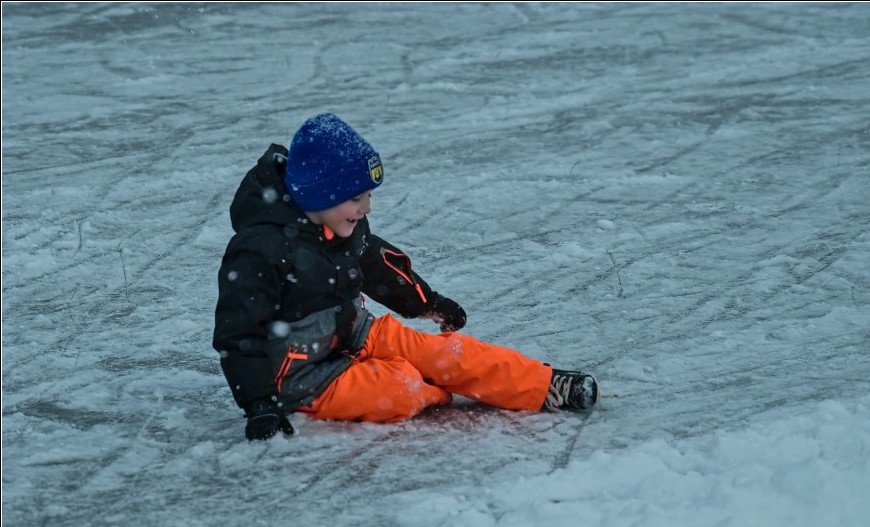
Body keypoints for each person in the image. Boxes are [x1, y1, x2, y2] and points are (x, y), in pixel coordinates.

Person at [213, 113, 598, 441]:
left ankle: (544, 386)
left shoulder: (345, 226)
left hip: (357, 333)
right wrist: (260, 404)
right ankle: (434, 384)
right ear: (318, 194)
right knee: (400, 389)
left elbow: (379, 266)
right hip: (304, 376)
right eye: (357, 197)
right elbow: (238, 333)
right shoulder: (259, 250)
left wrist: (427, 302)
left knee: (447, 354)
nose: (367, 207)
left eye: (368, 196)